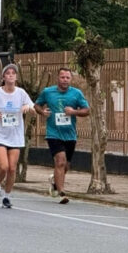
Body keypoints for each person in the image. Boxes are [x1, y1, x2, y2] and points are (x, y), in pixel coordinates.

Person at [34, 67, 90, 204]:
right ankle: (61, 193)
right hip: (53, 133)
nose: (65, 80)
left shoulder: (76, 94)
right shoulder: (48, 92)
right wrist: (42, 112)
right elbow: (36, 105)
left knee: (66, 166)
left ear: (71, 79)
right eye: (62, 77)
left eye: (67, 78)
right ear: (57, 78)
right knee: (60, 161)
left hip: (70, 135)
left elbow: (86, 110)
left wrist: (73, 112)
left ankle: (55, 182)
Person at [0, 64, 34, 208]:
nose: (11, 75)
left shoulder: (21, 93)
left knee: (12, 168)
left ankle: (6, 196)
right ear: (4, 77)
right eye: (8, 73)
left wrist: (27, 107)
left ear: (16, 77)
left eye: (13, 73)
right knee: (4, 166)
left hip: (15, 134)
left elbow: (32, 107)